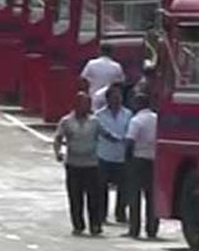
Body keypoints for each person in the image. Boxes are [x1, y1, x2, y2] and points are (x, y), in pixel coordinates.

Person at [53, 92, 103, 236]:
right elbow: (58, 138)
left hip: (91, 164)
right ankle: (78, 225)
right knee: (75, 197)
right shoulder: (66, 121)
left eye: (88, 104)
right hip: (74, 164)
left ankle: (95, 224)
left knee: (94, 198)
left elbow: (105, 135)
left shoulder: (95, 121)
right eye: (83, 103)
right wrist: (58, 153)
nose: (86, 107)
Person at [95, 83, 132, 224]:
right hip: (104, 155)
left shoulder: (128, 114)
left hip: (122, 156)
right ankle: (101, 215)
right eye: (114, 97)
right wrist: (114, 137)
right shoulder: (99, 115)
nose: (117, 99)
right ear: (108, 99)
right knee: (101, 188)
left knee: (124, 188)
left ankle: (120, 214)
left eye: (119, 96)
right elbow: (102, 132)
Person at [124, 93, 159, 239]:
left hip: (138, 160)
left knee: (135, 196)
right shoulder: (157, 118)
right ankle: (152, 229)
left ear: (137, 104)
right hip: (154, 160)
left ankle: (134, 228)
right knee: (152, 196)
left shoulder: (136, 120)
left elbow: (130, 142)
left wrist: (127, 160)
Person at [81, 43, 125, 111]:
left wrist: (86, 92)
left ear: (100, 51)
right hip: (109, 99)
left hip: (93, 96)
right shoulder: (116, 66)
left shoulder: (91, 64)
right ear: (112, 52)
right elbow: (120, 83)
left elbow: (83, 79)